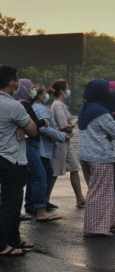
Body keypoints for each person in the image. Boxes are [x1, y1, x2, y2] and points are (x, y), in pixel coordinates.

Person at [0, 66, 37, 256]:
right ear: (13, 83)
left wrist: (20, 126)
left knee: (14, 201)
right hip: (11, 159)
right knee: (9, 204)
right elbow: (33, 129)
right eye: (17, 80)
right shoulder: (14, 106)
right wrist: (22, 126)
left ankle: (14, 239)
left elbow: (11, 124)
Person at [16, 79, 61, 224]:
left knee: (37, 175)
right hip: (30, 144)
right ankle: (41, 210)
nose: (32, 91)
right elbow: (32, 124)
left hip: (29, 144)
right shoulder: (24, 104)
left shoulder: (23, 104)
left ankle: (33, 205)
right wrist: (43, 122)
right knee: (40, 176)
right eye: (30, 88)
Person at [77, 79, 115, 237]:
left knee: (99, 191)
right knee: (99, 193)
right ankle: (95, 228)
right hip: (100, 157)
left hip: (86, 156)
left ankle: (107, 223)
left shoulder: (85, 109)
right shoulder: (101, 112)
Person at [50, 79, 86, 208]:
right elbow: (64, 126)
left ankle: (80, 198)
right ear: (62, 91)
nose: (68, 91)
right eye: (67, 89)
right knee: (54, 171)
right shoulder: (58, 105)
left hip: (66, 140)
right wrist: (73, 124)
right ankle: (44, 200)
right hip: (60, 140)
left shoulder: (60, 105)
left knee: (74, 167)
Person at [32, 84, 65, 212]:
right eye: (45, 93)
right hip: (43, 148)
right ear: (40, 96)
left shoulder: (34, 107)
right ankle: (41, 203)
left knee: (42, 175)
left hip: (38, 147)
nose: (47, 95)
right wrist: (60, 136)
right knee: (45, 175)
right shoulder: (42, 109)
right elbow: (44, 128)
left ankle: (39, 202)